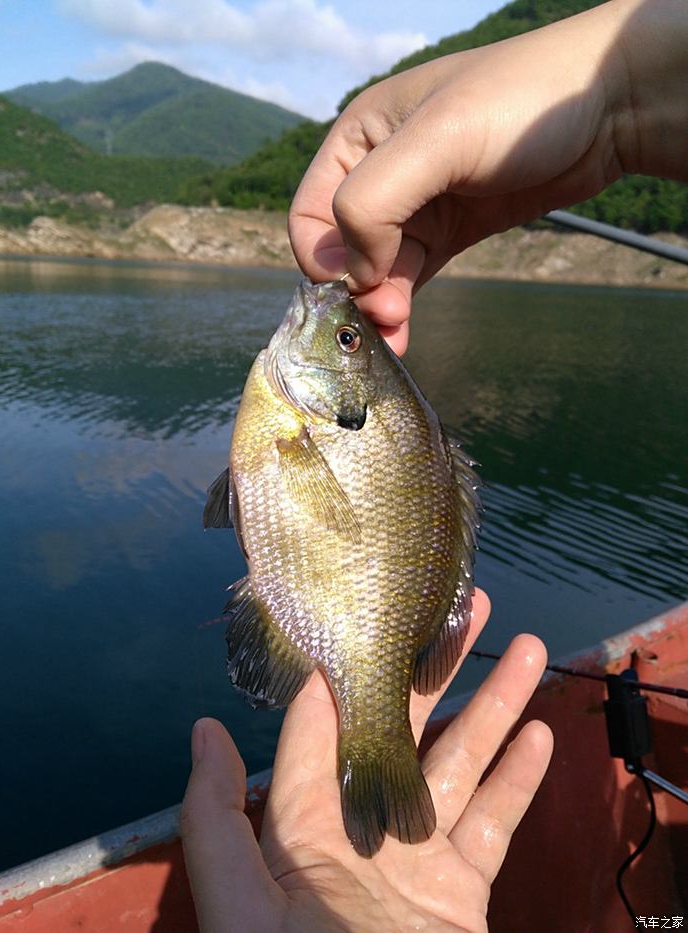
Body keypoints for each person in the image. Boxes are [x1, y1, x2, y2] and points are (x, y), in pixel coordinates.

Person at [181, 1, 687, 928]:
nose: (328, 314)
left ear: (344, 387)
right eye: (345, 331)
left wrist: (621, 95)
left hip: (340, 588)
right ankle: (377, 752)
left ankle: (373, 750)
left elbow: (245, 493)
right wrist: (617, 99)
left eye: (340, 333)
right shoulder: (303, 415)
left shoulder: (296, 416)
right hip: (347, 584)